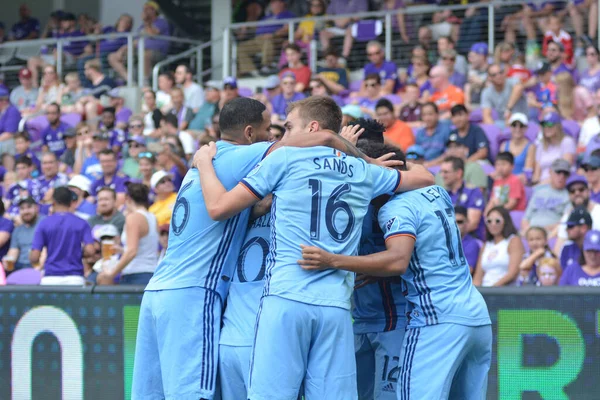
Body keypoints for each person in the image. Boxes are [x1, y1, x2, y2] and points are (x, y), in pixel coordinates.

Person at [132, 96, 378, 400]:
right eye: (270, 130)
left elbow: (246, 209)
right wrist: (348, 152)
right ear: (250, 134)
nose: (276, 136)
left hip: (159, 291)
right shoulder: (250, 156)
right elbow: (312, 144)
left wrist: (205, 162)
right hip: (197, 295)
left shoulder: (204, 167)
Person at [194, 109, 433, 399]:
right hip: (335, 306)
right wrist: (364, 159)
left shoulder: (283, 159)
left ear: (312, 128)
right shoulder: (363, 172)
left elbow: (219, 208)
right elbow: (425, 177)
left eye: (289, 127)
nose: (282, 137)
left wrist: (203, 162)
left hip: (285, 298)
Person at [298, 184, 491, 399]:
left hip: (424, 319)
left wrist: (332, 261)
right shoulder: (436, 192)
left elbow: (398, 260)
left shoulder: (395, 208)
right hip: (473, 314)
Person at [30, 186, 95, 285]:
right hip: (75, 278)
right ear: (70, 202)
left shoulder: (44, 223)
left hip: (50, 278)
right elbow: (90, 251)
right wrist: (77, 252)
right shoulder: (82, 223)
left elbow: (34, 257)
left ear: (53, 202)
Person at [97, 183, 158, 285]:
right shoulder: (152, 217)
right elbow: (144, 248)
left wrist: (112, 273)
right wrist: (122, 250)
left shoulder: (133, 217)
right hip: (150, 272)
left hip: (136, 275)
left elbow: (132, 251)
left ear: (127, 198)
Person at [108, 1, 171, 83]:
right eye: (144, 9)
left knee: (144, 54)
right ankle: (130, 80)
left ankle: (144, 82)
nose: (144, 11)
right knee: (113, 57)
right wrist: (122, 50)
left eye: (147, 9)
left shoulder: (161, 22)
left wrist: (146, 21)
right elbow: (135, 41)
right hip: (139, 51)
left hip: (157, 53)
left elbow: (152, 33)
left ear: (154, 11)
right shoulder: (142, 26)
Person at [236, 0, 295, 76]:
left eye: (275, 2)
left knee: (267, 40)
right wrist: (246, 26)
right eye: (272, 3)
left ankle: (266, 66)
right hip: (259, 39)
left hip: (276, 39)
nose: (272, 4)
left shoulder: (287, 15)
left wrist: (272, 34)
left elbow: (287, 28)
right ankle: (251, 71)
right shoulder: (267, 16)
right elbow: (257, 26)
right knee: (241, 47)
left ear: (282, 3)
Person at [474, 206, 525, 286]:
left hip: (503, 292)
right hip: (485, 291)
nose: (493, 224)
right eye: (489, 221)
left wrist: (492, 289)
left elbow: (513, 273)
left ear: (505, 221)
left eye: (497, 221)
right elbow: (478, 277)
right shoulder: (486, 245)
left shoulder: (513, 240)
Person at [438, 155, 485, 236]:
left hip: (469, 240)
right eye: (441, 172)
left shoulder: (472, 191)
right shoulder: (442, 194)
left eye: (446, 172)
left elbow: (472, 224)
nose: (442, 175)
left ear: (459, 173)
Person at [522, 159, 570, 234]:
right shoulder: (538, 192)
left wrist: (540, 231)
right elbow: (525, 218)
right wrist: (528, 231)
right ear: (550, 172)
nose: (561, 176)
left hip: (551, 234)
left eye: (565, 174)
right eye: (558, 172)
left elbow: (563, 223)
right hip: (530, 232)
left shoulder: (568, 196)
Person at [554, 174, 600, 253]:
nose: (577, 193)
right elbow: (558, 250)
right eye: (572, 191)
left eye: (581, 189)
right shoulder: (567, 216)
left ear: (589, 191)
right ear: (569, 195)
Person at [532, 112, 576, 185]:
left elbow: (564, 170)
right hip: (541, 185)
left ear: (558, 126)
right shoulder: (541, 145)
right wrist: (536, 186)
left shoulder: (567, 142)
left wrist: (542, 184)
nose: (547, 128)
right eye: (544, 125)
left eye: (550, 124)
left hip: (560, 185)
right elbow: (537, 173)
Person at [5, 197, 42, 271]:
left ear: (36, 208)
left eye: (29, 207)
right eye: (22, 208)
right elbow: (13, 251)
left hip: (38, 264)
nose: (26, 211)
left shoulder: (44, 223)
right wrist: (8, 262)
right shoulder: (17, 230)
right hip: (20, 266)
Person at [503, 113, 536, 183]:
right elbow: (500, 167)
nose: (518, 129)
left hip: (521, 184)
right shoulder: (503, 145)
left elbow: (527, 173)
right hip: (506, 182)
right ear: (510, 127)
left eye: (521, 126)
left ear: (526, 128)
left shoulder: (530, 147)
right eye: (514, 125)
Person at [455, 205, 481, 273]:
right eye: (453, 222)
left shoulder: (472, 244)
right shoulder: (442, 242)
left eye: (459, 222)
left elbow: (467, 271)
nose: (456, 225)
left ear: (467, 223)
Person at [0, 86, 21, 154]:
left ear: (4, 101)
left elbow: (9, 134)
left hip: (12, 141)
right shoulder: (1, 112)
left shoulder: (12, 111)